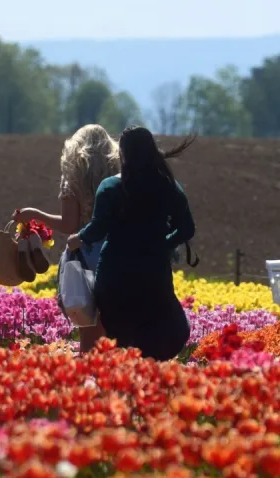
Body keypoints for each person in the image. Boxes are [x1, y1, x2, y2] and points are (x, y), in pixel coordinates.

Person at [66, 126, 196, 362]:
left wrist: (78, 238)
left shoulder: (111, 187)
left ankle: (124, 386)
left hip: (115, 277)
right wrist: (162, 244)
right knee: (157, 331)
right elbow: (187, 229)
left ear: (122, 155)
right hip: (153, 275)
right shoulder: (169, 187)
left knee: (122, 338)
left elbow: (98, 228)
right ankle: (147, 381)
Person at [12, 124, 119, 353]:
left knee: (88, 325)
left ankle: (87, 381)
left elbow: (69, 224)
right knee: (111, 328)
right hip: (117, 253)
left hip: (85, 254)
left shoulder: (74, 177)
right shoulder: (119, 175)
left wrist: (35, 215)